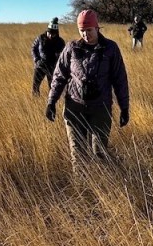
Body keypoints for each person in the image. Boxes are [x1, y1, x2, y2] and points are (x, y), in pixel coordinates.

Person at [45, 10, 130, 167]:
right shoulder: (71, 48)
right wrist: (51, 101)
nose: (85, 34)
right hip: (74, 108)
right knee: (78, 155)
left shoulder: (111, 48)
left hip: (101, 108)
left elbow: (120, 79)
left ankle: (101, 187)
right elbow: (59, 76)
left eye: (89, 30)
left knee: (99, 153)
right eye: (82, 30)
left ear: (97, 28)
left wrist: (124, 107)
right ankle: (81, 189)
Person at [31, 17, 65, 96]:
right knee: (35, 87)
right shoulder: (40, 38)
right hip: (40, 65)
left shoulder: (60, 41)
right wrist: (36, 59)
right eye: (49, 33)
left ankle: (50, 104)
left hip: (53, 67)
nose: (50, 35)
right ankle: (35, 101)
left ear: (56, 33)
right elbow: (33, 48)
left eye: (53, 34)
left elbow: (63, 55)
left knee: (52, 87)